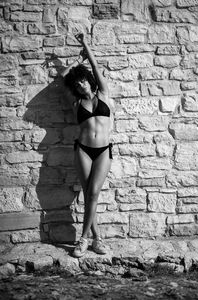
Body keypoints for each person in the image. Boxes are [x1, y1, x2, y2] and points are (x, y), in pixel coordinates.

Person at [61, 33, 113, 258]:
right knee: (89, 194)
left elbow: (95, 65)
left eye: (82, 80)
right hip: (82, 149)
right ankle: (97, 240)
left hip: (103, 150)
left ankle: (83, 240)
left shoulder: (103, 93)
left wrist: (85, 47)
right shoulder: (75, 102)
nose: (80, 85)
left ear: (88, 80)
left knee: (93, 192)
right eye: (77, 83)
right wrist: (75, 63)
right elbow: (62, 77)